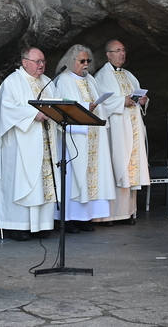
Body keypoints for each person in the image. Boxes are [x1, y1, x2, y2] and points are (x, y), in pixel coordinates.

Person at [0, 47, 59, 240]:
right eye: (37, 62)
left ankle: (42, 225)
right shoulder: (12, 82)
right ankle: (16, 226)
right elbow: (7, 110)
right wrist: (33, 114)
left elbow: (58, 105)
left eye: (43, 61)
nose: (41, 65)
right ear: (24, 62)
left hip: (45, 144)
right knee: (20, 182)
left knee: (42, 183)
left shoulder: (48, 82)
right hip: (20, 146)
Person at [52, 44, 116, 231]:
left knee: (92, 177)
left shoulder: (91, 79)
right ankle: (70, 218)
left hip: (94, 136)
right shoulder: (63, 80)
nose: (86, 64)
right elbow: (63, 106)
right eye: (82, 61)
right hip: (75, 139)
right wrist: (83, 106)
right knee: (73, 178)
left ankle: (85, 217)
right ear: (71, 61)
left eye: (88, 60)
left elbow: (99, 104)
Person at [93, 39, 150, 224]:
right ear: (108, 54)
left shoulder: (129, 75)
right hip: (116, 131)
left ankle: (127, 213)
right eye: (117, 50)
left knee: (130, 171)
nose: (122, 54)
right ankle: (110, 215)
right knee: (116, 167)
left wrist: (143, 101)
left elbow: (138, 95)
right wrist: (121, 102)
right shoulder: (102, 76)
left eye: (124, 50)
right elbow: (101, 102)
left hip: (132, 129)